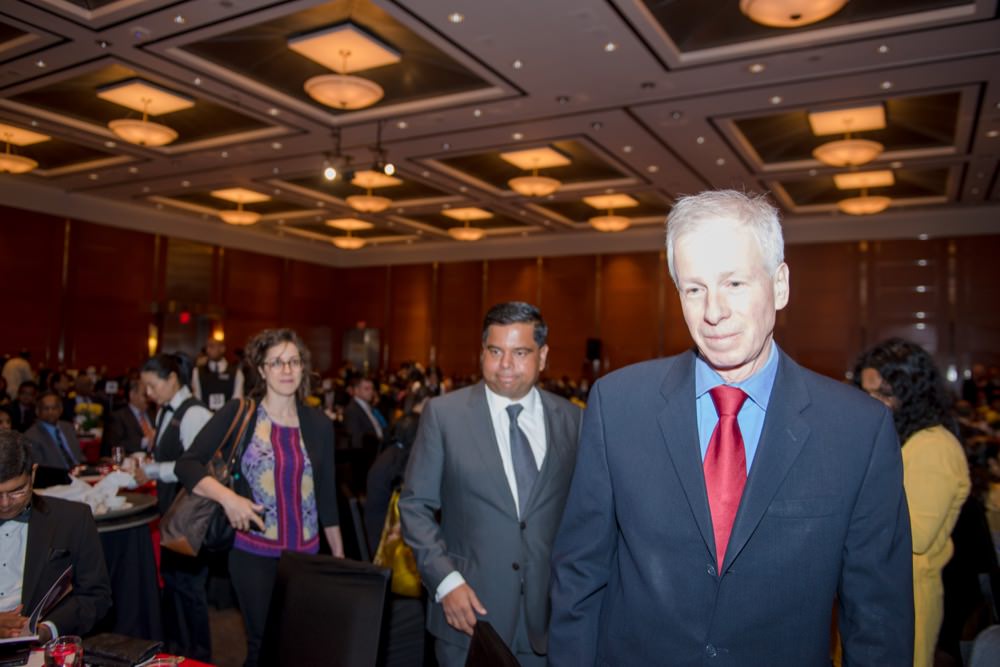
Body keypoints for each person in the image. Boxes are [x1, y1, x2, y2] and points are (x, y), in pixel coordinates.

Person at [549, 190, 913, 666]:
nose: (713, 312)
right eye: (694, 289)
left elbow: (878, 621)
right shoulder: (617, 406)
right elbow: (579, 575)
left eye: (734, 283)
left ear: (779, 285)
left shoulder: (857, 431)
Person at [400, 301, 581, 667]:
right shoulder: (444, 416)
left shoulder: (572, 420)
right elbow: (415, 507)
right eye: (495, 351)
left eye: (520, 353)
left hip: (548, 622)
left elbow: (584, 515)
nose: (505, 365)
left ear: (543, 356)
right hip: (468, 617)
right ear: (482, 352)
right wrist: (446, 582)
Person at [177, 328, 344, 667]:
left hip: (305, 557)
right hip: (253, 555)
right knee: (263, 644)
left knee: (297, 644)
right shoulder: (241, 413)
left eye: (294, 361)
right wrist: (229, 499)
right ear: (262, 370)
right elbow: (187, 464)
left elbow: (326, 494)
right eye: (277, 362)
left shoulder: (318, 424)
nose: (287, 370)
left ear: (303, 368)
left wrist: (338, 554)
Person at [855, 338, 971, 667]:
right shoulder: (898, 436)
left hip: (908, 596)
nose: (874, 404)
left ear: (913, 394)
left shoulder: (934, 446)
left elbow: (917, 535)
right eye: (866, 393)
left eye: (885, 394)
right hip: (879, 589)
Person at [0, 429, 112, 643]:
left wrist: (46, 630)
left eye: (17, 491)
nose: (5, 503)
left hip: (41, 646)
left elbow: (95, 596)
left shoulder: (72, 519)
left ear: (33, 474)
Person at [140, 353, 213, 662]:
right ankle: (178, 652)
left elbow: (195, 468)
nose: (148, 394)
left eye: (152, 386)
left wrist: (152, 470)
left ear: (172, 379)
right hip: (170, 513)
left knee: (190, 590)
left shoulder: (195, 413)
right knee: (173, 585)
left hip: (189, 517)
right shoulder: (163, 411)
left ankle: (200, 656)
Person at [23, 391, 84, 470]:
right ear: (37, 411)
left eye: (54, 408)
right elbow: (40, 467)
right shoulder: (31, 435)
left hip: (80, 470)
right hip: (56, 474)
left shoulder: (68, 427)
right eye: (46, 408)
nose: (50, 412)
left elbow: (79, 455)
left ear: (61, 410)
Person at [191, 338, 245, 411]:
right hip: (204, 415)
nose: (208, 350)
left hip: (229, 415)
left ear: (222, 349)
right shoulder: (197, 372)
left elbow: (237, 400)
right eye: (207, 347)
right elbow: (197, 399)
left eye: (212, 346)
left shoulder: (236, 373)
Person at [105, 380, 156, 455]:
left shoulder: (153, 414)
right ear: (132, 395)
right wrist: (145, 441)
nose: (149, 398)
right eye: (145, 395)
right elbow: (116, 445)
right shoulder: (119, 417)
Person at [343, 375, 385, 450]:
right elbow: (355, 441)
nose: (371, 392)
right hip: (370, 452)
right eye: (366, 389)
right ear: (356, 390)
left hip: (379, 446)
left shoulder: (367, 405)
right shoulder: (352, 409)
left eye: (372, 388)